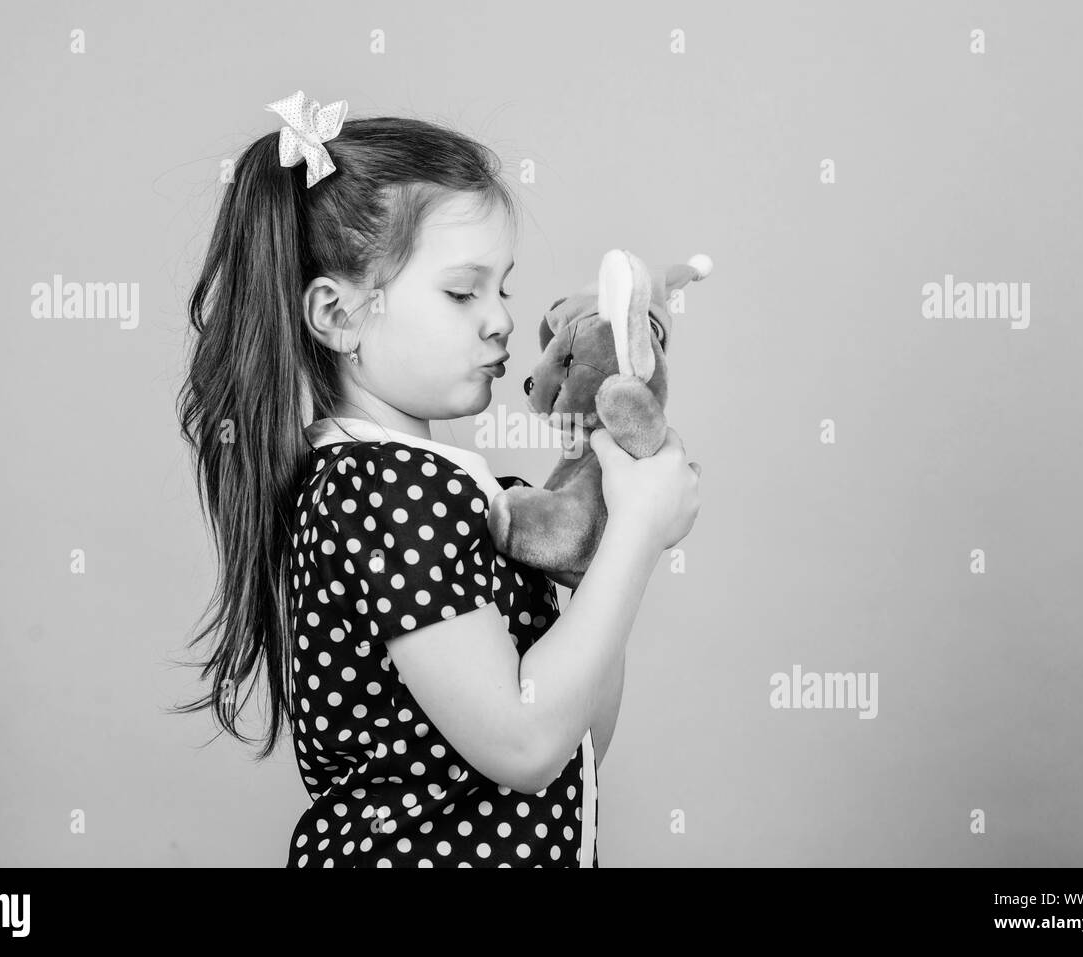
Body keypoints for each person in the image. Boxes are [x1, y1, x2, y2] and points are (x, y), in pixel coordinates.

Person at [175, 91, 701, 867]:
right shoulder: (384, 494)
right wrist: (638, 533)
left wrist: (598, 540)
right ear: (339, 314)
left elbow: (575, 743)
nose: (499, 321)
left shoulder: (443, 489)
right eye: (463, 291)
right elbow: (522, 742)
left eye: (504, 288)